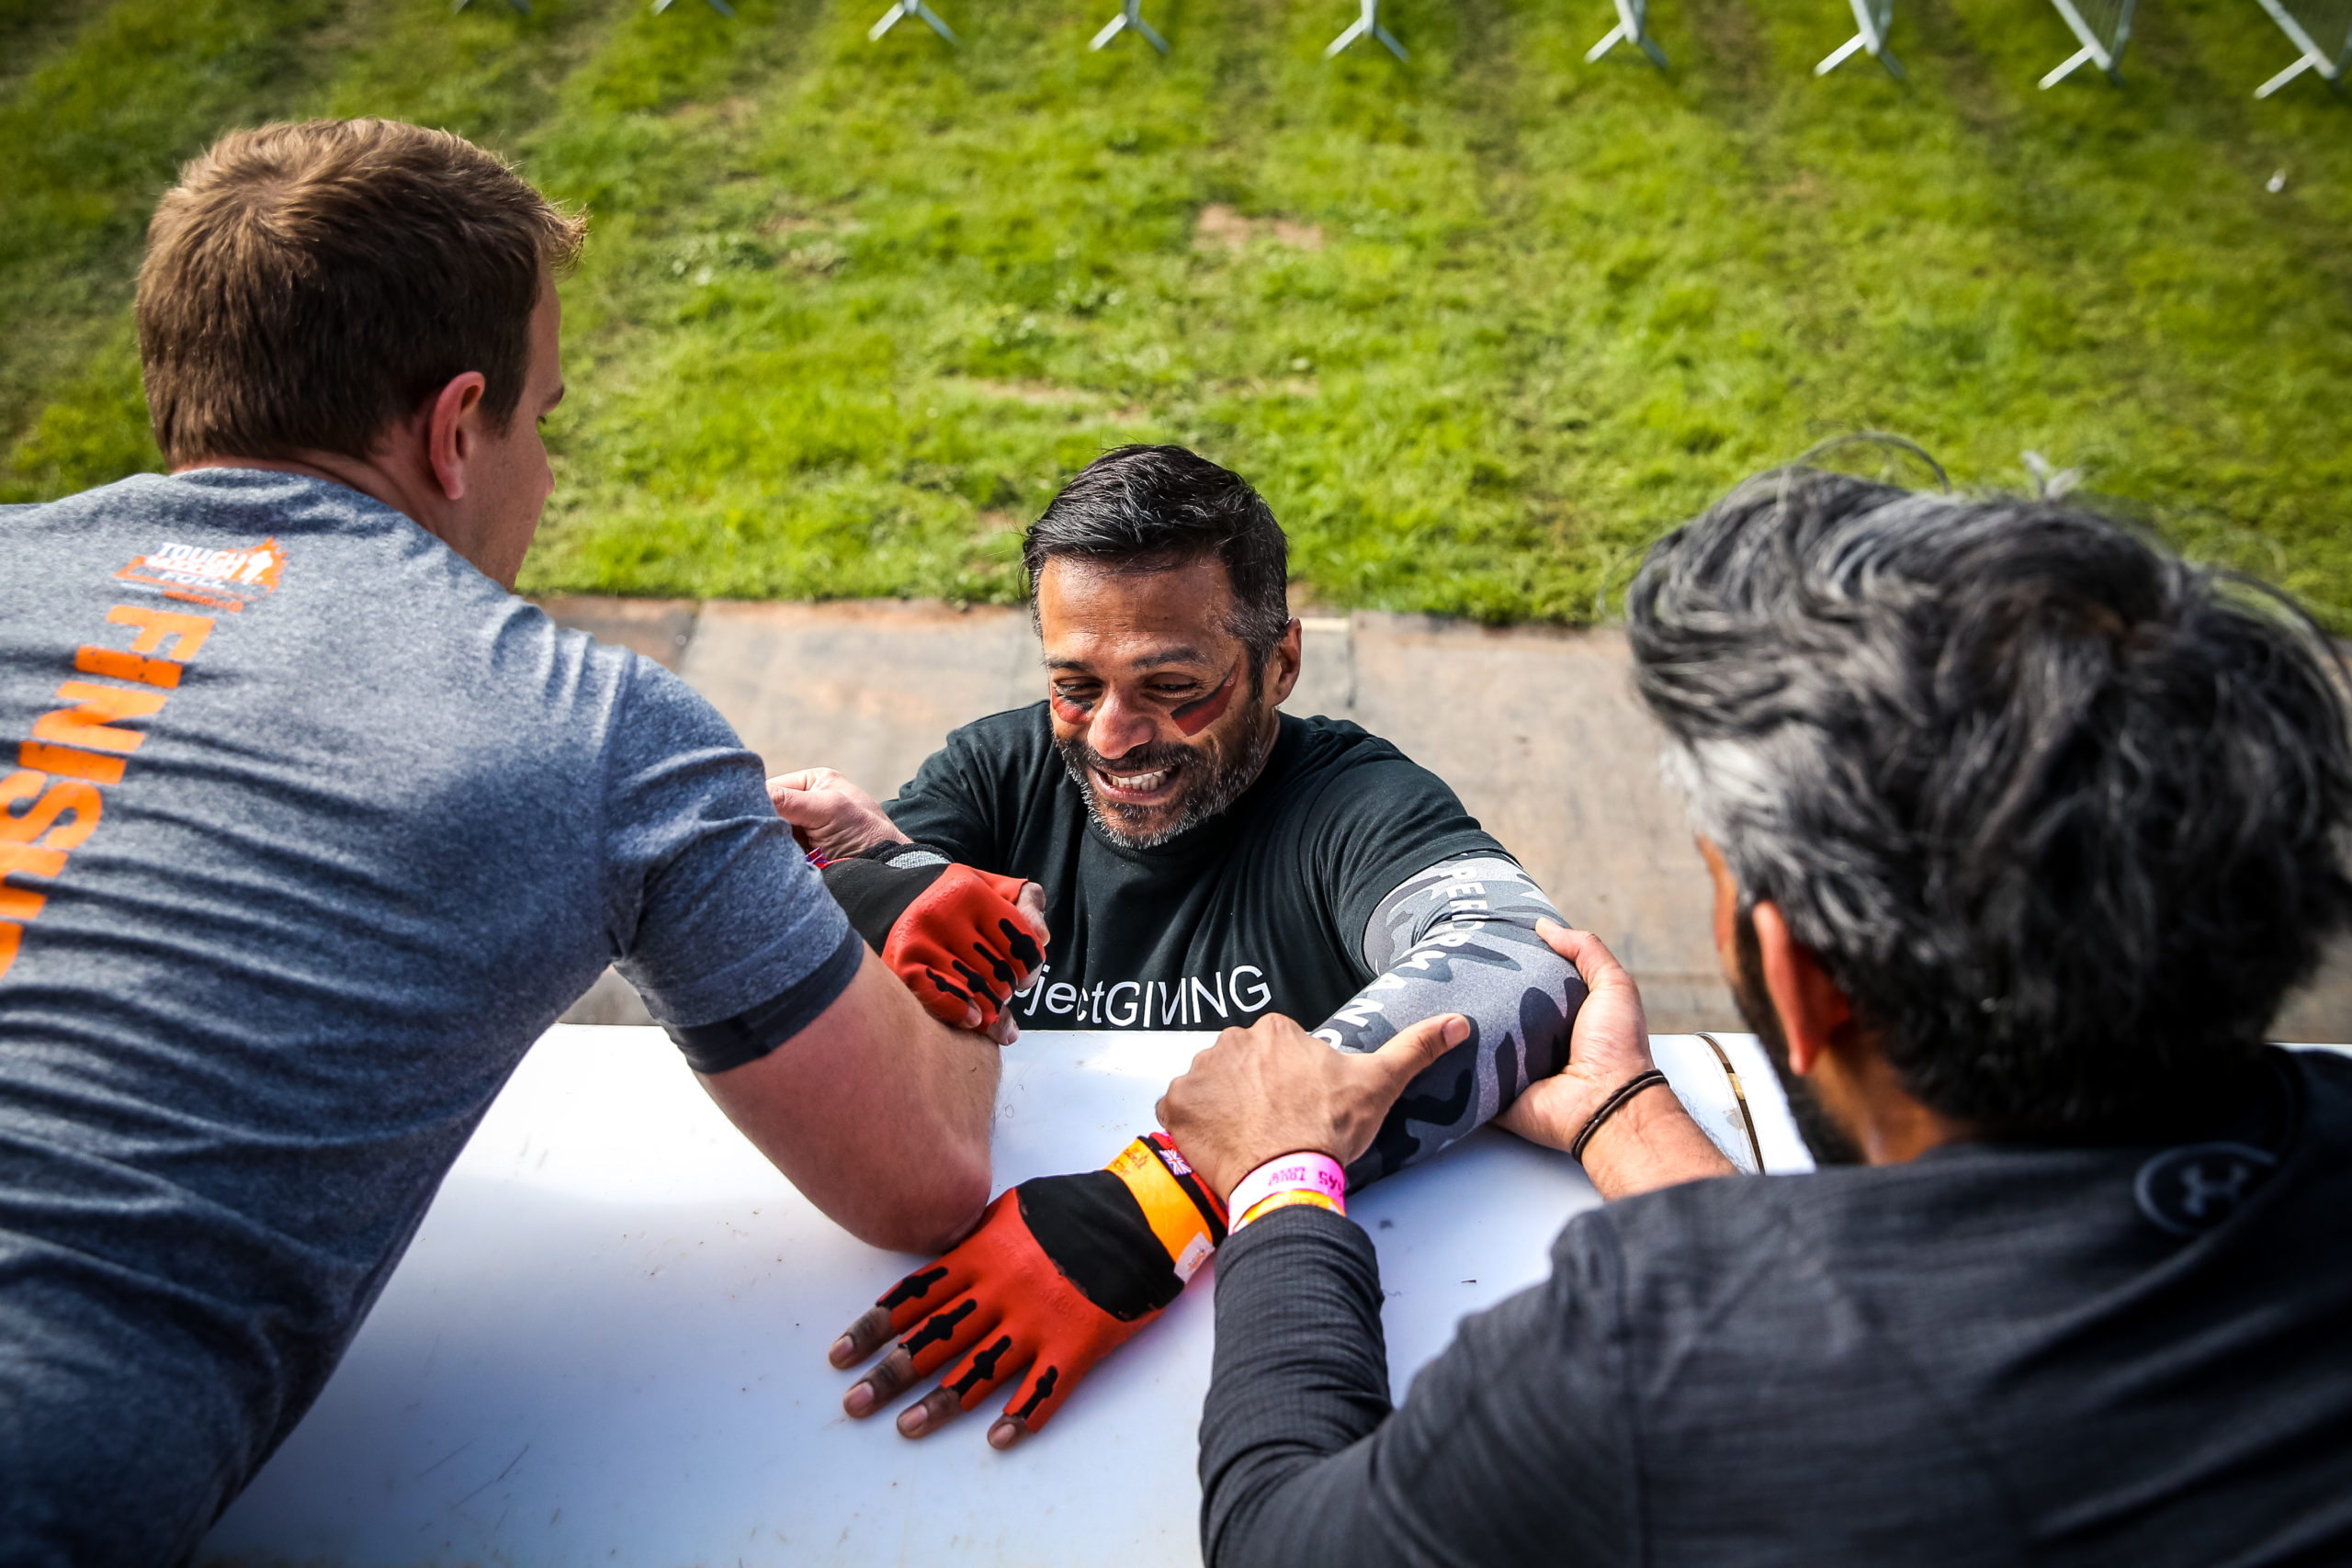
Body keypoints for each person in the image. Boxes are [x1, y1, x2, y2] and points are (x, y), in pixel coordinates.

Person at [0, 119, 1014, 1566]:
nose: (541, 464)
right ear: (450, 426)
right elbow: (920, 1171)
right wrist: (928, 909)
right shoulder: (588, 732)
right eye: (543, 418)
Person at [1160, 468, 2352, 1566]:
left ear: (1799, 975)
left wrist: (1281, 1176)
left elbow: (1284, 1541)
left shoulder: (1646, 1360)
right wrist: (1627, 1116)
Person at [776, 445, 1602, 1449]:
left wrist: (1167, 1195)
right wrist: (872, 883)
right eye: (1075, 685)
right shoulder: (1000, 770)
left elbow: (1522, 954)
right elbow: (867, 948)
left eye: (1172, 686)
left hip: (1275, 1354)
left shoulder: (1348, 802)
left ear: (1281, 663)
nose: (1115, 737)